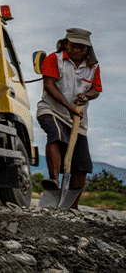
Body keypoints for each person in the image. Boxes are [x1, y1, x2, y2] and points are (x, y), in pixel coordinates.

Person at [36, 27, 102, 209]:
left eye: (82, 48)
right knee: (56, 135)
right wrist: (69, 107)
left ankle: (71, 207)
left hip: (77, 120)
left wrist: (87, 96)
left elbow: (96, 89)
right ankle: (54, 181)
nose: (77, 50)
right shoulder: (53, 59)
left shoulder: (93, 66)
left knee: (83, 165)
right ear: (66, 44)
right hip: (52, 110)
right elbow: (49, 86)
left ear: (87, 49)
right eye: (73, 46)